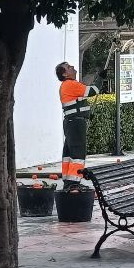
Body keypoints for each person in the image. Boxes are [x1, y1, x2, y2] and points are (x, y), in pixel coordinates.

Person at [56, 61, 100, 191]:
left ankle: (69, 181)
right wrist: (101, 78)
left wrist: (86, 113)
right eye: (69, 67)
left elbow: (79, 102)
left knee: (69, 153)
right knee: (78, 153)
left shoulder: (68, 85)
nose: (73, 67)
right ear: (64, 74)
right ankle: (73, 183)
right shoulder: (71, 84)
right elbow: (93, 91)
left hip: (72, 122)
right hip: (75, 123)